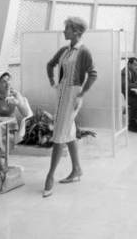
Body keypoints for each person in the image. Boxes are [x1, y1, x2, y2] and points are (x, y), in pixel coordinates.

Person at [43, 17, 97, 198]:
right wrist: (53, 82)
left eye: (67, 28)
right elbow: (49, 65)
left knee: (59, 135)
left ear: (77, 32)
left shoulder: (84, 51)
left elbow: (93, 74)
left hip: (73, 95)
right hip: (62, 94)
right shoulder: (64, 51)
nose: (64, 31)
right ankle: (77, 170)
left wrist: (82, 94)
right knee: (69, 132)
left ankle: (50, 176)